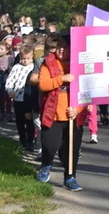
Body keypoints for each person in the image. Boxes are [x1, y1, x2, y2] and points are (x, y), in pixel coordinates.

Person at [36, 34, 87, 191]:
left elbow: (87, 91)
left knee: (71, 150)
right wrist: (62, 78)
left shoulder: (79, 65)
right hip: (53, 114)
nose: (61, 50)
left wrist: (77, 109)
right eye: (59, 48)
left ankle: (70, 178)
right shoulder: (48, 63)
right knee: (50, 145)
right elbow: (43, 85)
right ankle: (46, 166)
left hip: (73, 116)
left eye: (65, 47)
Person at [7, 45, 38, 152]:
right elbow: (10, 80)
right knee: (20, 121)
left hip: (29, 99)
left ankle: (31, 141)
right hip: (18, 98)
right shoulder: (16, 67)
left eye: (28, 58)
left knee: (30, 120)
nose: (25, 61)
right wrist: (10, 90)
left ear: (32, 57)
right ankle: (22, 139)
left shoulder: (34, 67)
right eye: (23, 58)